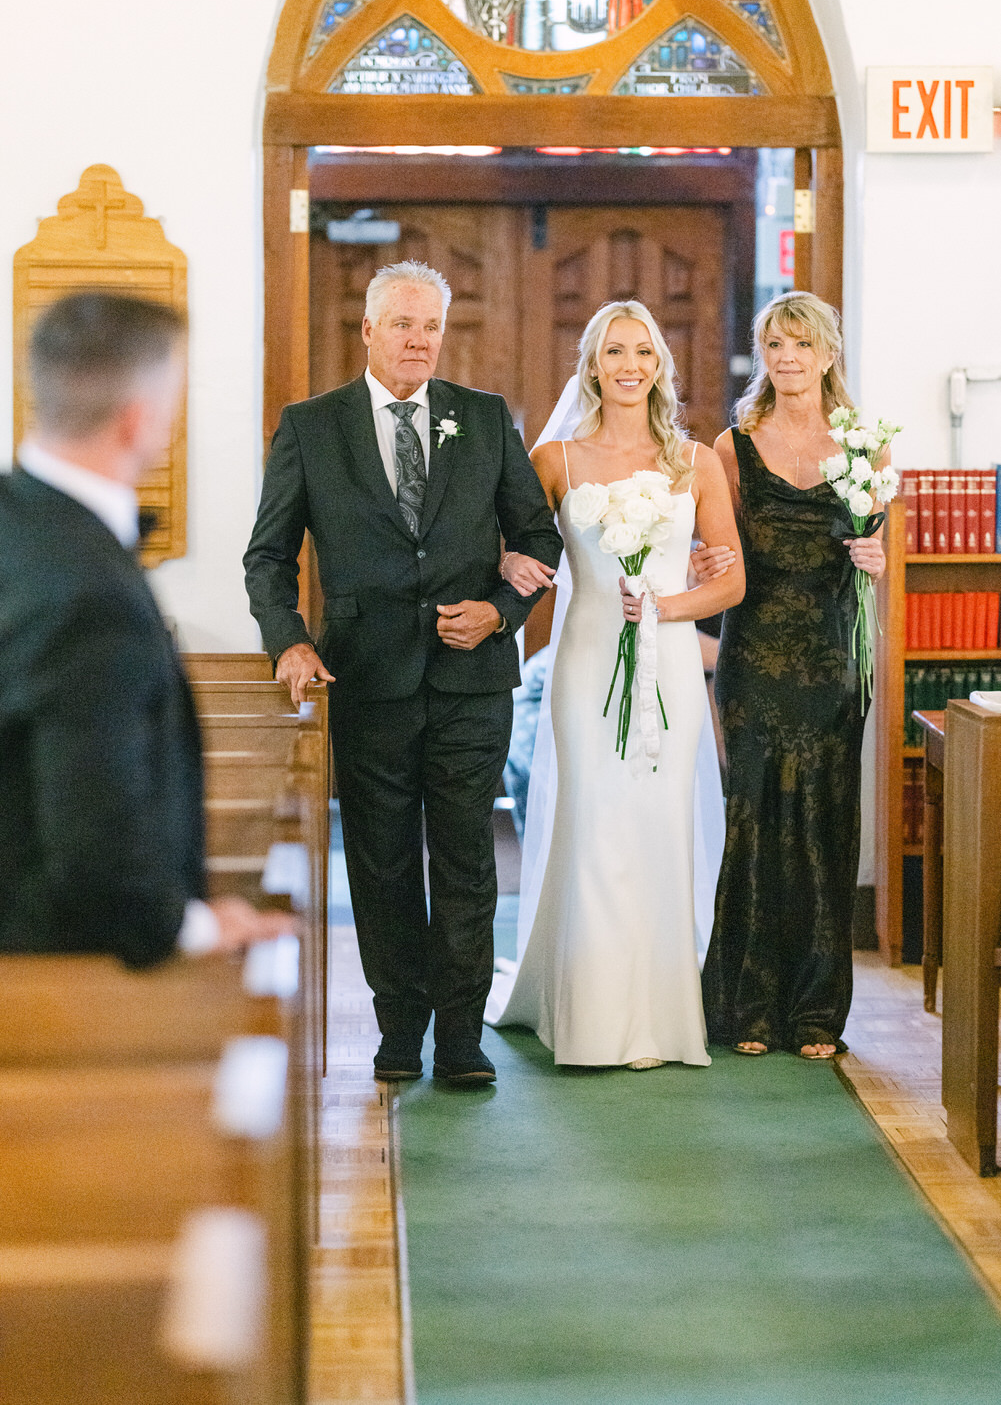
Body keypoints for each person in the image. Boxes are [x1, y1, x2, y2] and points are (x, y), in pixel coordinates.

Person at [244, 260, 562, 1085]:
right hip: (365, 677)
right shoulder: (312, 427)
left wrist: (500, 609)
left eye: (430, 326)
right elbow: (268, 557)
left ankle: (460, 1037)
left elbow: (537, 536)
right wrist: (289, 642)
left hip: (471, 682)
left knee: (465, 859)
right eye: (403, 325)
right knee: (380, 863)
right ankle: (397, 1029)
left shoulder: (485, 420)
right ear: (369, 332)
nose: (419, 340)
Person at [0, 291, 295, 967]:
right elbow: (92, 846)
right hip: (51, 981)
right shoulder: (91, 597)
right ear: (140, 420)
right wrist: (189, 927)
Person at [487, 300, 744, 1068]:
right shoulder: (555, 461)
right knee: (595, 822)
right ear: (591, 366)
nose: (629, 365)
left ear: (659, 365)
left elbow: (729, 583)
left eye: (642, 351)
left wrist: (667, 604)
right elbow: (517, 551)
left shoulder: (696, 464)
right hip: (587, 662)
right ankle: (591, 1018)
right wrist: (504, 563)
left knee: (658, 827)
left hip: (665, 665)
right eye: (613, 352)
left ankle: (659, 1020)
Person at [700, 291, 887, 1060]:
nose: (786, 357)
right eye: (774, 343)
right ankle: (745, 1008)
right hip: (752, 662)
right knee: (752, 828)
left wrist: (877, 560)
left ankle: (814, 1015)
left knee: (822, 828)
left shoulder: (864, 445)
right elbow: (715, 550)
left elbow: (876, 555)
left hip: (833, 664)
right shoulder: (729, 446)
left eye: (800, 344)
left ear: (827, 354)